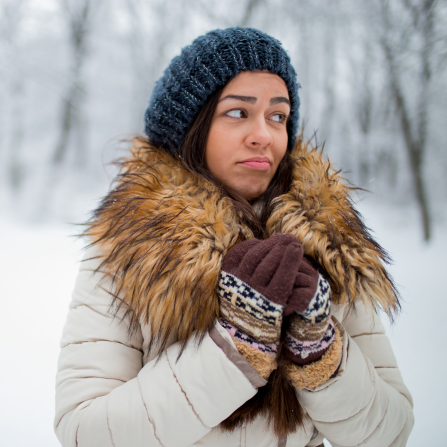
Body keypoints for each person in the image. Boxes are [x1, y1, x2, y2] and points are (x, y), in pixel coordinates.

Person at [54, 27, 414, 447]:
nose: (263, 133)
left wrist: (321, 351)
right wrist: (234, 346)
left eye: (277, 116)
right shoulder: (129, 247)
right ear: (192, 126)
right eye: (238, 113)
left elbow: (391, 434)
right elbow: (84, 432)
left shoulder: (326, 243)